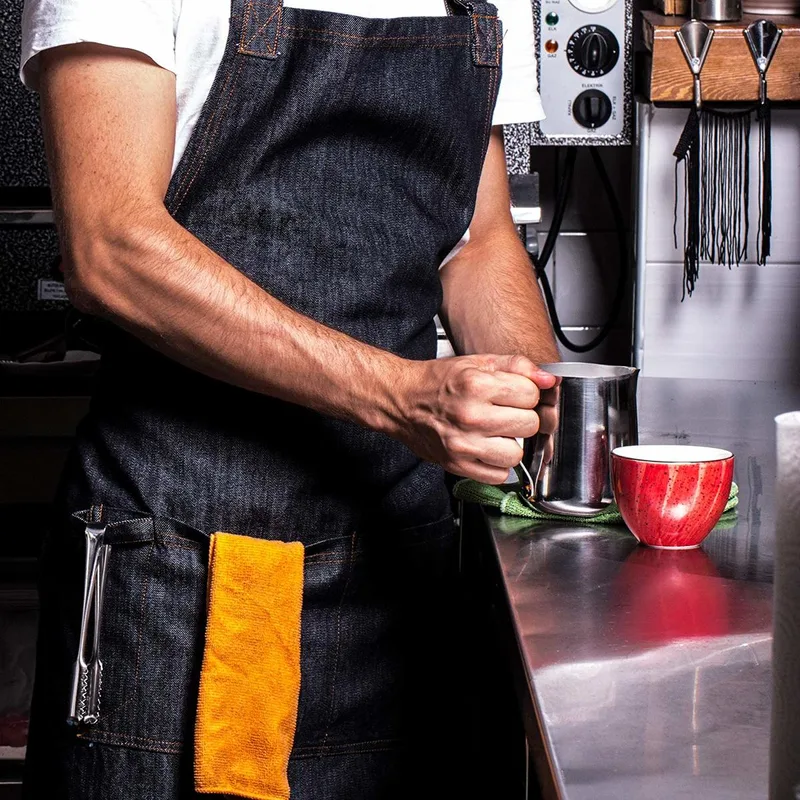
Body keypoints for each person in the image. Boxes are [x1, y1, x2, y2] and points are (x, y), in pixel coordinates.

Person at [19, 0, 559, 797]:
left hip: (399, 566)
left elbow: (478, 239)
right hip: (186, 574)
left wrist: (537, 396)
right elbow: (111, 246)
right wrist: (401, 397)